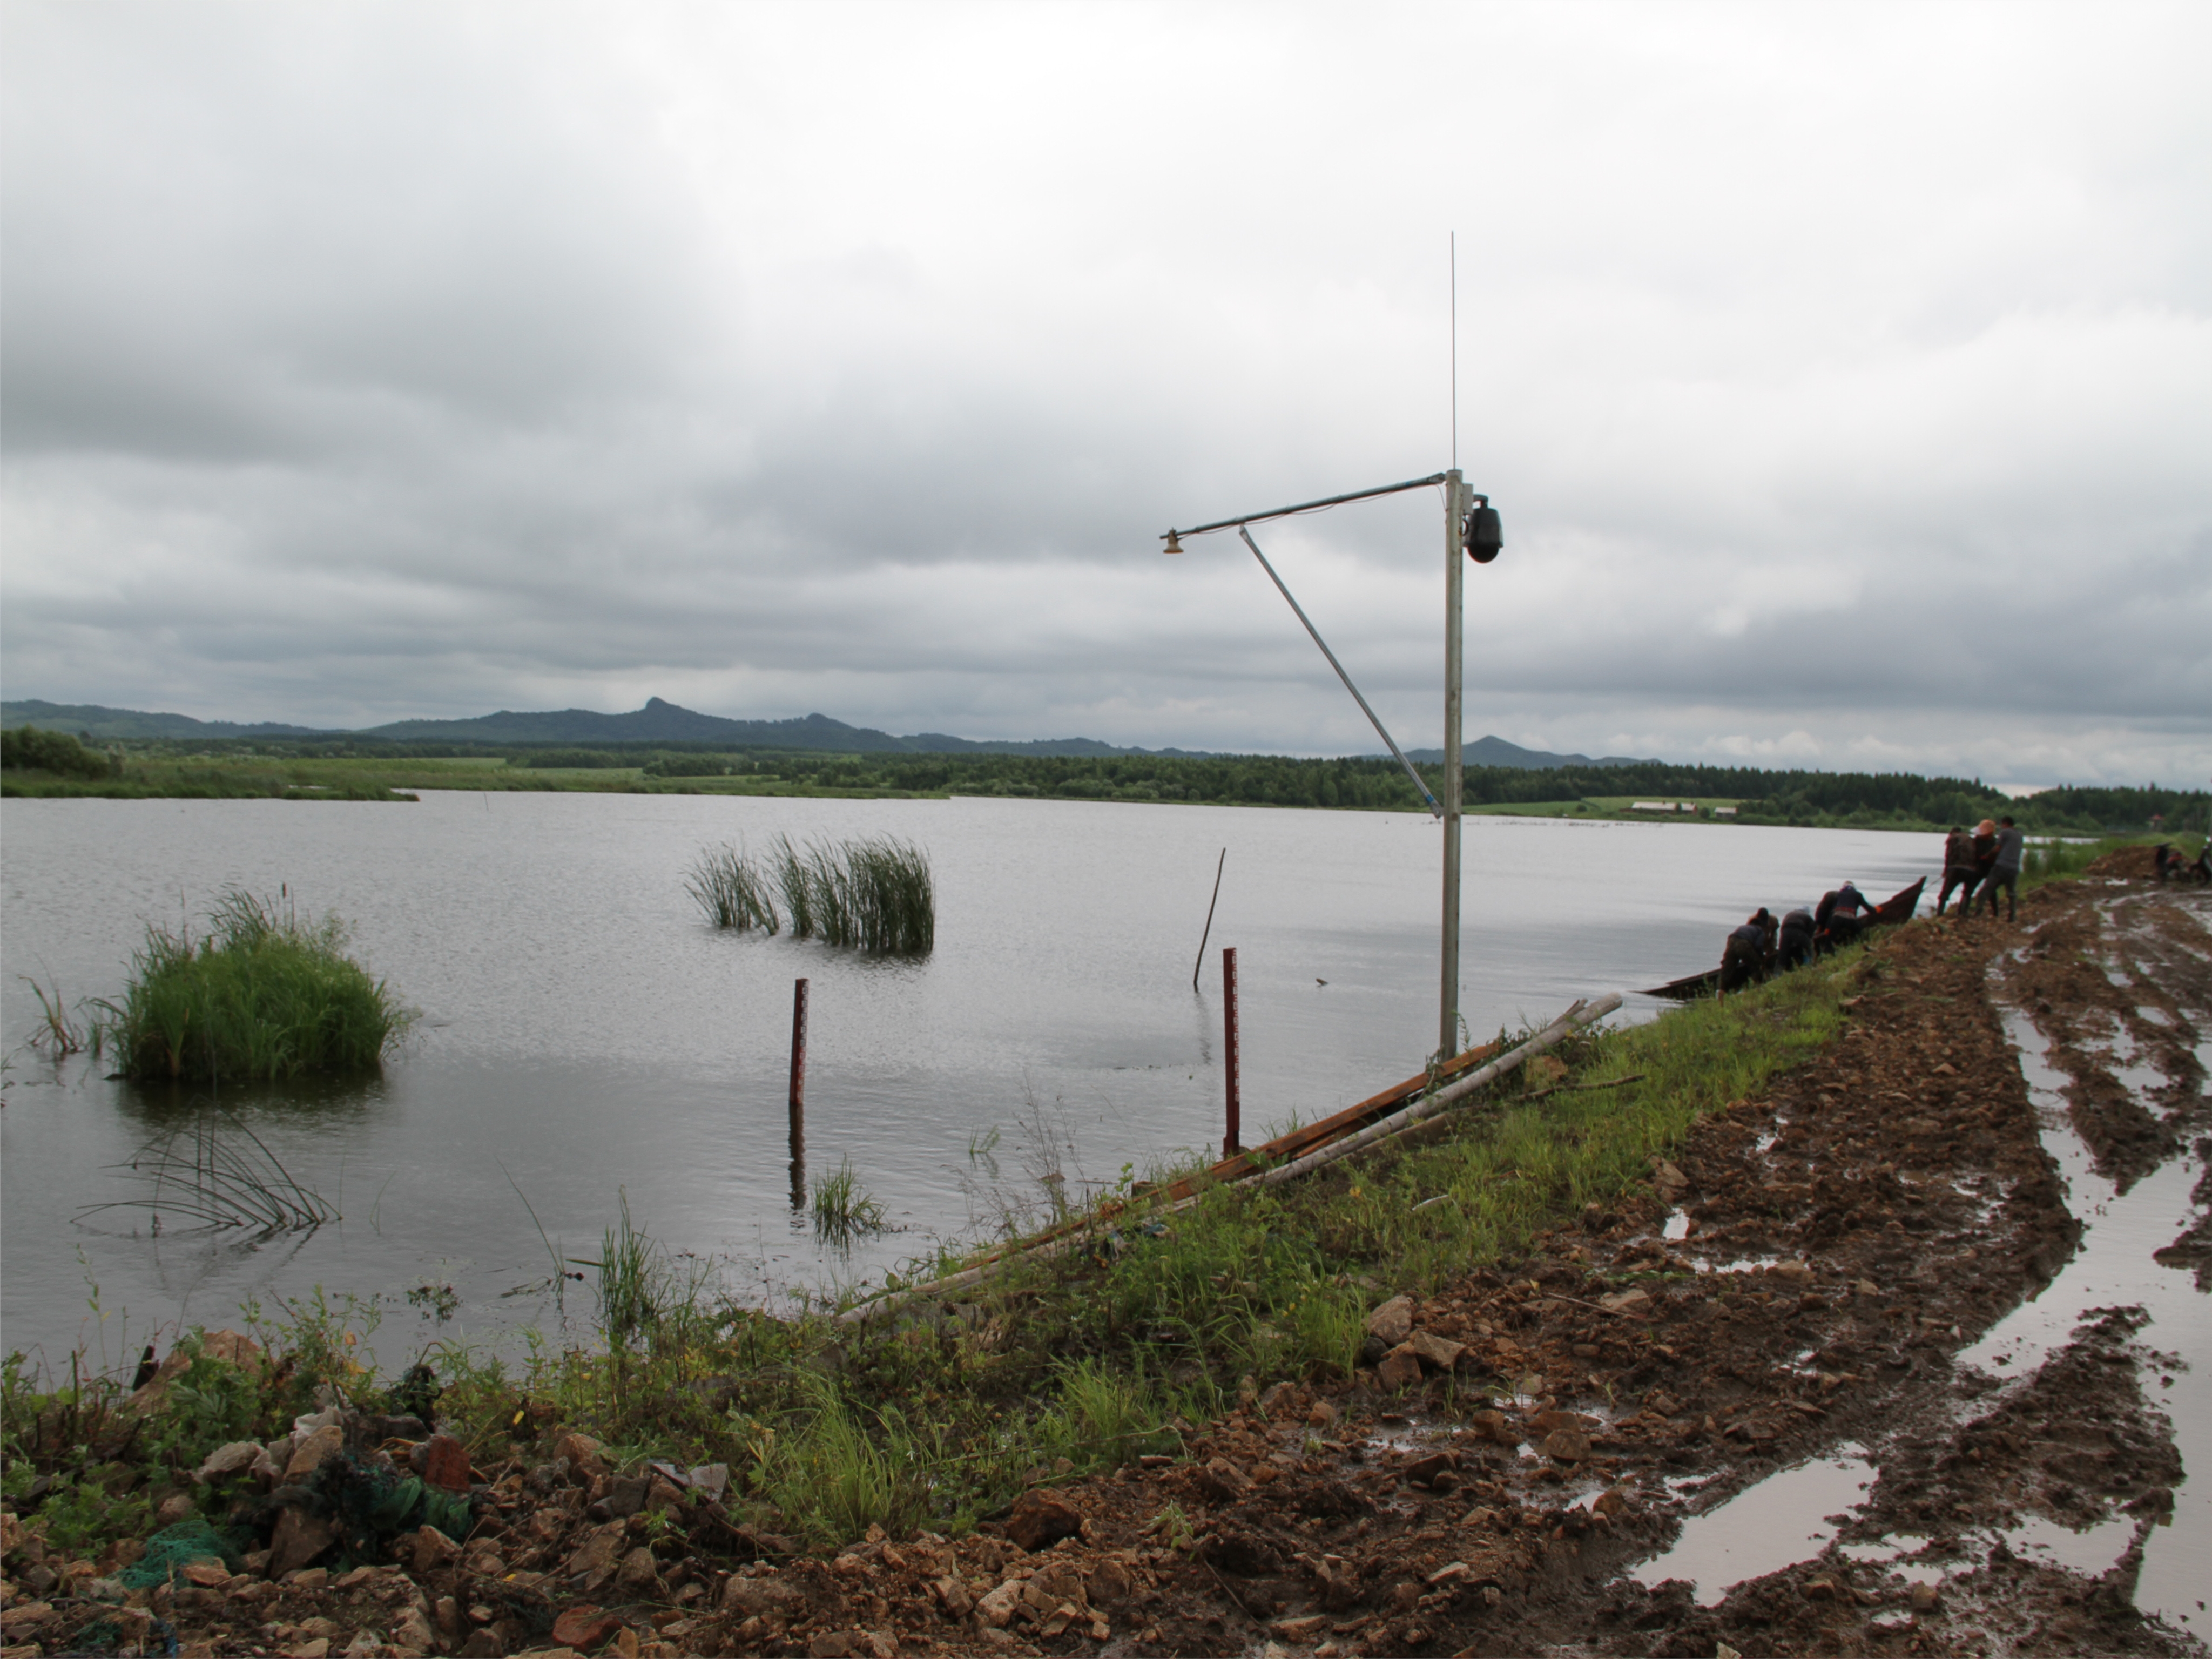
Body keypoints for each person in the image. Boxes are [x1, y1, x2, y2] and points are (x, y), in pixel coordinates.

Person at [1978, 815, 2024, 921]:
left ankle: (1978, 913)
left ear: (2005, 824)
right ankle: (2012, 918)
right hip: (2014, 868)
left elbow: (1997, 848)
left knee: (1986, 890)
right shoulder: (2019, 835)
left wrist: (1987, 856)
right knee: (2012, 894)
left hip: (2002, 866)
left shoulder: (2005, 832)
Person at [1718, 908, 1773, 994]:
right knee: (1757, 966)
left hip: (1732, 940)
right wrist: (1761, 957)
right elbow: (1758, 946)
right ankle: (1755, 988)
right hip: (1743, 943)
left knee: (1727, 968)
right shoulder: (1760, 931)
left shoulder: (1743, 927)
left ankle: (1721, 991)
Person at [1936, 825, 1980, 916]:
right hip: (1971, 870)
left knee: (1945, 894)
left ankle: (1940, 914)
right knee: (1967, 892)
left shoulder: (1953, 838)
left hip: (1956, 868)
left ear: (1951, 832)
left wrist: (1946, 870)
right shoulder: (1970, 839)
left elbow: (1949, 855)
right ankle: (1963, 913)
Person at [1775, 908, 1817, 972]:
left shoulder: (1789, 914)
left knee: (1782, 954)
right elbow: (1812, 929)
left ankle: (1777, 973)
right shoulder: (1807, 917)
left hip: (1785, 931)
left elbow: (1783, 927)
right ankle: (1810, 966)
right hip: (1797, 930)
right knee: (1809, 948)